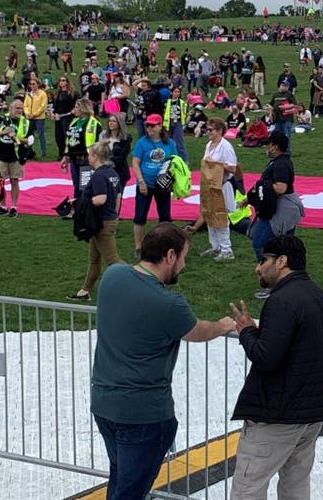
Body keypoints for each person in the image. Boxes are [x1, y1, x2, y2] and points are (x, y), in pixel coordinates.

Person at [91, 224, 236, 500]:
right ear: (170, 255)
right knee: (130, 491)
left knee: (120, 479)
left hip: (104, 404)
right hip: (143, 415)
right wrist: (223, 325)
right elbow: (197, 331)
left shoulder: (113, 275)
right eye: (183, 258)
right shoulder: (169, 304)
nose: (183, 266)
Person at [227, 235, 323, 500]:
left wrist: (246, 332)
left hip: (278, 416)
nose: (258, 267)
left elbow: (266, 356)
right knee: (296, 487)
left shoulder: (282, 301)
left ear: (282, 261)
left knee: (247, 487)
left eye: (263, 260)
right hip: (311, 414)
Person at [68, 142, 124, 301]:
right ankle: (84, 291)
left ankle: (140, 280)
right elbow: (118, 197)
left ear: (97, 157)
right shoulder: (112, 172)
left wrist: (79, 203)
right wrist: (115, 215)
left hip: (102, 222)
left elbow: (100, 199)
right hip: (109, 218)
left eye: (90, 155)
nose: (88, 158)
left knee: (113, 260)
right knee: (94, 259)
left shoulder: (99, 175)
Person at [247, 133, 305, 277]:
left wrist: (263, 185)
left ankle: (270, 277)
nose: (266, 147)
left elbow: (280, 188)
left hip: (280, 208)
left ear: (275, 147)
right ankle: (287, 275)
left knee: (260, 242)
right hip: (278, 207)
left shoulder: (281, 164)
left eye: (269, 144)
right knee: (284, 246)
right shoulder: (279, 161)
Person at [131, 113, 179, 252]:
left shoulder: (169, 143)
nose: (149, 128)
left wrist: (171, 179)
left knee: (165, 217)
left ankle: (165, 244)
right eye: (147, 125)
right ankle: (139, 246)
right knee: (140, 216)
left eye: (152, 125)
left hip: (162, 185)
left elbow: (175, 160)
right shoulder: (142, 142)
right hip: (145, 183)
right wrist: (141, 182)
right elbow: (135, 162)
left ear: (160, 126)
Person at [200, 116, 239, 262]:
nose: (208, 132)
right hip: (210, 185)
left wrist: (216, 163)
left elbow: (233, 168)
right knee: (210, 215)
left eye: (211, 130)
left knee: (221, 217)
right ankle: (215, 246)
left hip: (222, 185)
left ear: (220, 130)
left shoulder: (226, 146)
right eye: (207, 129)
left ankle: (226, 249)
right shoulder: (209, 144)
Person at [0, 98, 30, 217]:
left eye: (21, 108)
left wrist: (16, 137)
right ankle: (2, 206)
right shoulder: (1, 119)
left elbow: (29, 140)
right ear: (10, 108)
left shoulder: (25, 122)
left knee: (14, 181)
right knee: (0, 182)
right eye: (17, 108)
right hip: (0, 155)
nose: (20, 110)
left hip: (17, 156)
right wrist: (3, 133)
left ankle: (13, 206)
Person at [62, 98, 103, 202]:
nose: (74, 109)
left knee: (85, 186)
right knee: (76, 184)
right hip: (73, 158)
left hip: (87, 159)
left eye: (76, 107)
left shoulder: (94, 123)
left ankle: (86, 209)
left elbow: (99, 142)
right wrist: (65, 156)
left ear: (83, 108)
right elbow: (69, 139)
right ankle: (78, 209)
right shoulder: (74, 122)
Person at [22, 77, 49, 158]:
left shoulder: (42, 94)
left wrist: (35, 114)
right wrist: (28, 113)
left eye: (33, 84)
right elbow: (25, 105)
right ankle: (29, 152)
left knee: (41, 134)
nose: (31, 85)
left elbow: (43, 106)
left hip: (39, 117)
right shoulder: (29, 94)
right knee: (30, 135)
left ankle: (43, 152)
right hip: (29, 117)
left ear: (38, 84)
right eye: (30, 84)